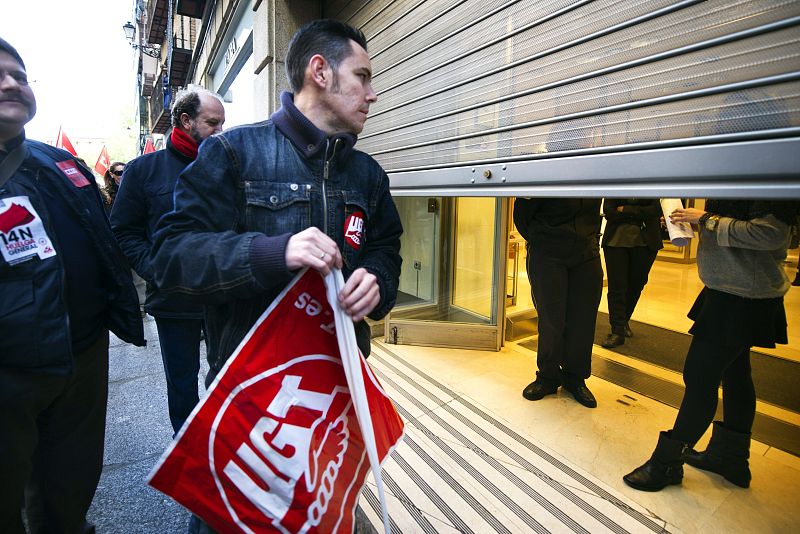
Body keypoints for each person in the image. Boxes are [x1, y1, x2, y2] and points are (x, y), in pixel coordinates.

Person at [0, 38, 145, 532]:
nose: (11, 83)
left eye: (19, 75)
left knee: (71, 483)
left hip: (83, 355)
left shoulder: (57, 163)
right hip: (11, 372)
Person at [623, 200, 798, 492]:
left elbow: (773, 235)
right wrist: (701, 222)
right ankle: (731, 458)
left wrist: (707, 219)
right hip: (731, 291)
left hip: (741, 297)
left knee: (700, 377)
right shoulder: (743, 179)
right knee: (736, 375)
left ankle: (665, 464)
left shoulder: (765, 182)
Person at [111, 86, 225, 434]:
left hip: (225, 296)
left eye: (223, 125)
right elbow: (123, 230)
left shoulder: (228, 167)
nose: (220, 132)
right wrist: (157, 269)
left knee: (228, 377)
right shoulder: (143, 170)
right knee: (182, 383)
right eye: (212, 123)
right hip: (174, 302)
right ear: (186, 120)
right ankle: (188, 451)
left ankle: (230, 448)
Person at [513, 198, 603, 408]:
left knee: (583, 319)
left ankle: (575, 377)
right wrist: (540, 237)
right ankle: (548, 376)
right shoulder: (546, 168)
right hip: (548, 251)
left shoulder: (593, 169)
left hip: (586, 250)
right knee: (551, 320)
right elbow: (523, 213)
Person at [600, 199, 663, 348]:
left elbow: (655, 210)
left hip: (646, 242)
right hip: (615, 241)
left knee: (637, 284)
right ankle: (617, 331)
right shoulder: (616, 183)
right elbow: (609, 211)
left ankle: (623, 321)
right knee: (617, 287)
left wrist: (625, 209)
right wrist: (639, 211)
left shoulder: (650, 184)